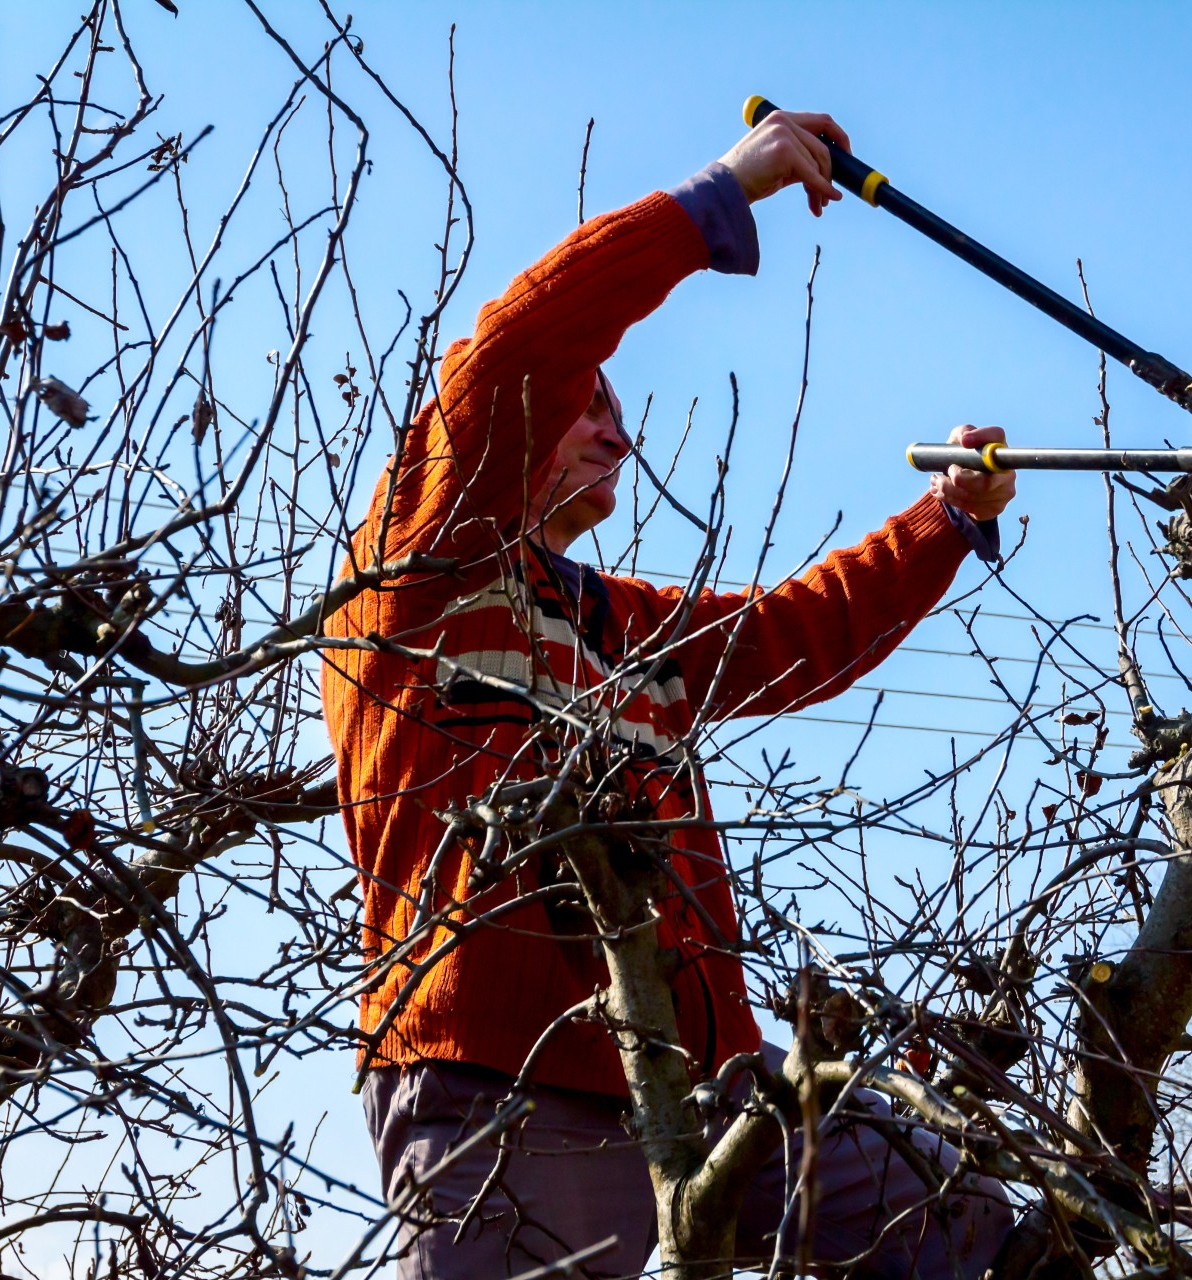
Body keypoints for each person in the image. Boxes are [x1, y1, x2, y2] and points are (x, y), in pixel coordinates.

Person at [322, 107, 1018, 1279]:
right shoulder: (419, 568)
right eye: (593, 406)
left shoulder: (623, 624)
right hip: (504, 1081)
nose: (618, 436)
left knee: (972, 1229)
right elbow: (513, 354)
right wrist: (722, 195)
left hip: (706, 1087)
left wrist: (944, 518)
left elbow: (797, 632)